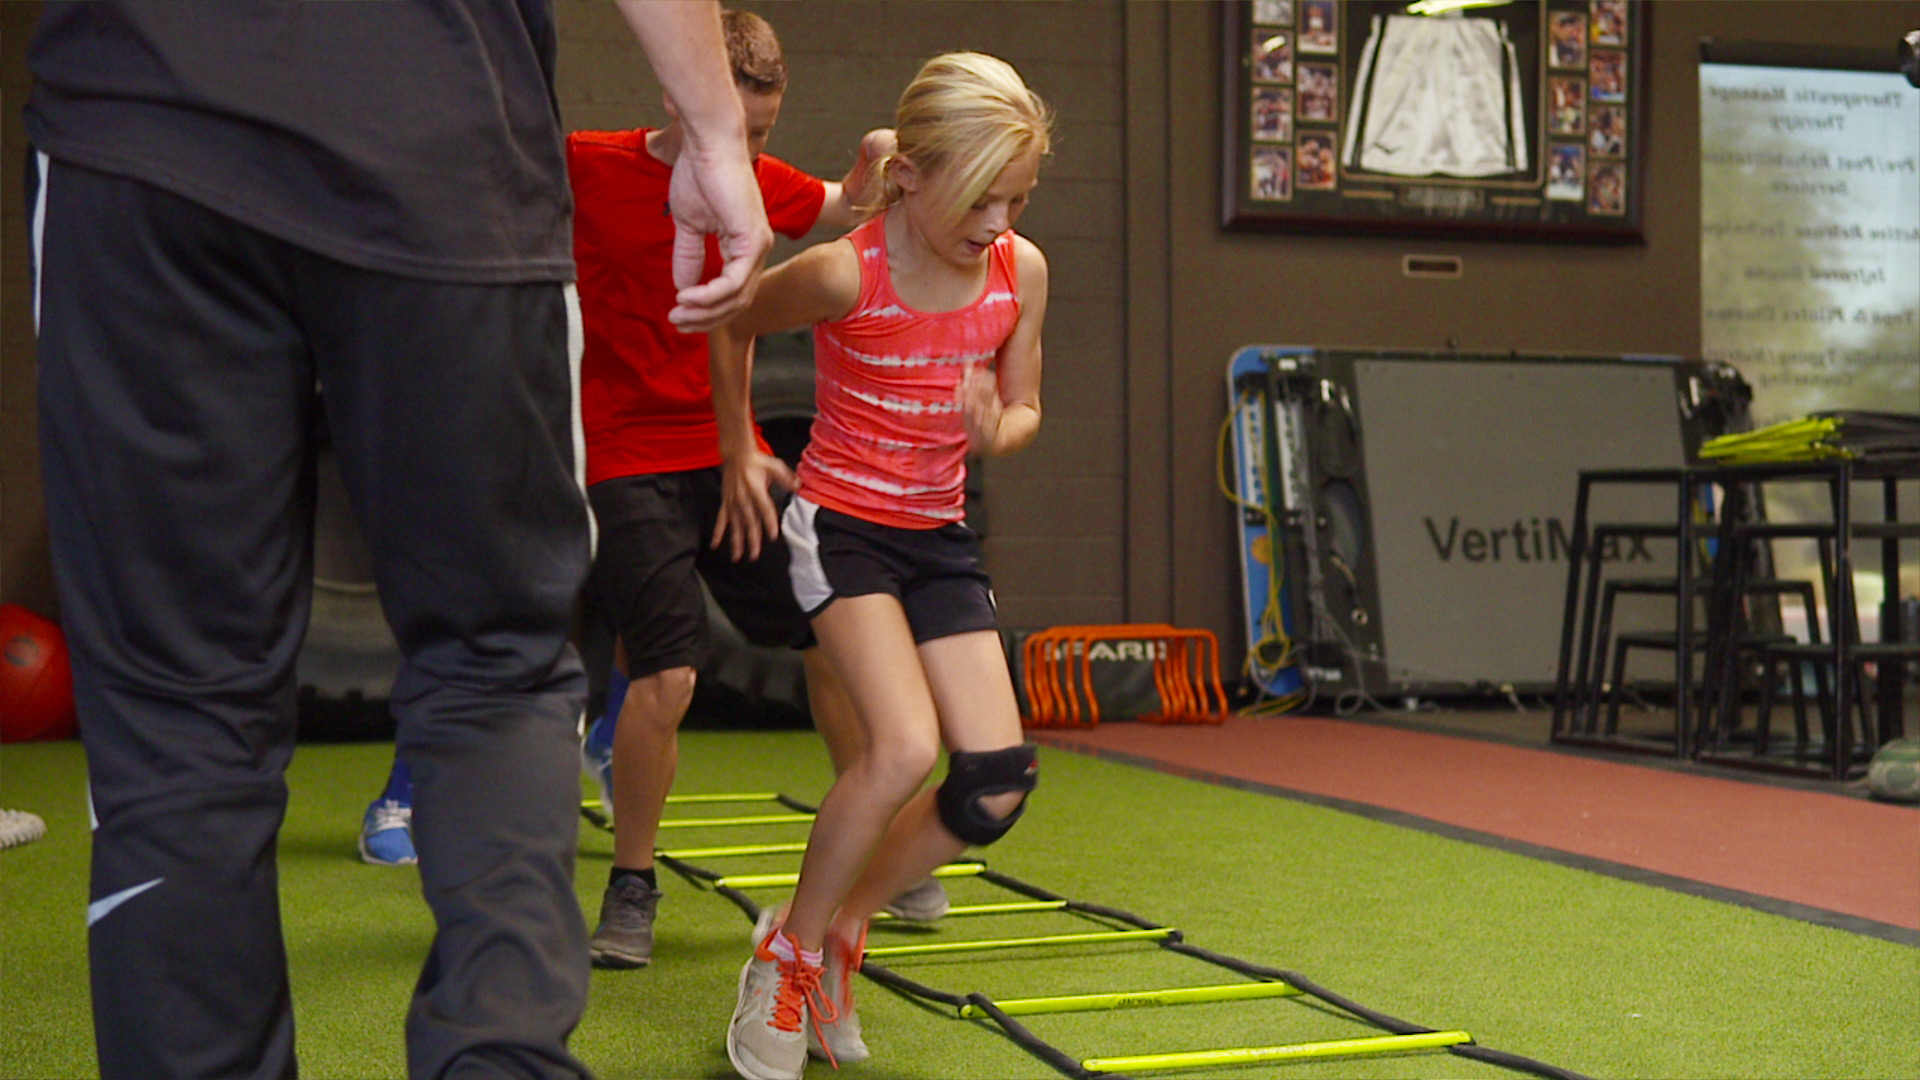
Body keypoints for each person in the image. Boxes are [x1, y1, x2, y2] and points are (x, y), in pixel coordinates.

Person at [24, 2, 771, 1077]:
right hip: (443, 146)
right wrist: (711, 131)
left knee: (174, 710)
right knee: (497, 667)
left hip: (145, 134)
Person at [559, 8, 945, 971]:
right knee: (668, 675)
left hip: (733, 458)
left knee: (830, 631)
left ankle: (872, 832)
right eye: (732, 124)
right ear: (675, 90)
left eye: (763, 132)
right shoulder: (588, 166)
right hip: (628, 453)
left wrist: (880, 156)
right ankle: (632, 886)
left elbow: (847, 205)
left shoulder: (756, 177)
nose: (745, 150)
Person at [708, 52, 1052, 1080]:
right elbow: (732, 320)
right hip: (843, 526)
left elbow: (1026, 402)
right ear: (908, 174)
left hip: (936, 537)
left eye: (1019, 197)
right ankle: (784, 955)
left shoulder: (1017, 271)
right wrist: (737, 445)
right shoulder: (843, 271)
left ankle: (840, 930)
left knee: (995, 781)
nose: (1000, 221)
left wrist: (1001, 428)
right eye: (982, 197)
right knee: (901, 749)